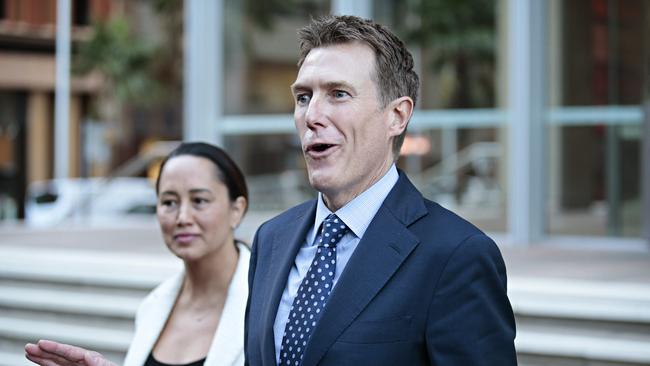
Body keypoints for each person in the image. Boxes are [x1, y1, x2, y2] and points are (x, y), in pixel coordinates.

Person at [243, 15, 517, 366]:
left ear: (397, 116)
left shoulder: (457, 255)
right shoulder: (271, 240)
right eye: (303, 97)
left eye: (338, 94)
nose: (311, 115)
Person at [25, 142, 250, 366]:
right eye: (169, 202)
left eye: (199, 201)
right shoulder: (153, 306)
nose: (182, 217)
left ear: (236, 210)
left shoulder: (270, 302)